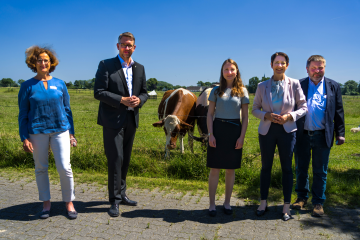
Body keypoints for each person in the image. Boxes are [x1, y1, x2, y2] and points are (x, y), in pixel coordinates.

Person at [18, 46, 78, 220]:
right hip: (37, 132)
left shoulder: (60, 84)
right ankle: (46, 203)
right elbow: (23, 114)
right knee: (41, 168)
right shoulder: (27, 86)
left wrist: (71, 133)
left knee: (65, 167)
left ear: (51, 63)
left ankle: (69, 202)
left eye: (46, 60)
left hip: (60, 130)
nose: (43, 63)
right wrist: (25, 137)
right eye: (39, 60)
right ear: (33, 63)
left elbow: (67, 110)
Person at [94, 32, 149, 217]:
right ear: (118, 46)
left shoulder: (140, 68)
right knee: (115, 159)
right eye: (123, 45)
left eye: (130, 45)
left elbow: (145, 92)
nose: (127, 48)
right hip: (112, 121)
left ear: (134, 47)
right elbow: (99, 92)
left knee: (125, 159)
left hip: (131, 119)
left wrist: (139, 101)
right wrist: (122, 100)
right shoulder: (106, 65)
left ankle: (122, 194)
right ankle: (114, 201)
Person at [252, 52, 307, 221]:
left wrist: (290, 116)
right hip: (267, 131)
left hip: (287, 131)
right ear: (271, 65)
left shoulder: (295, 84)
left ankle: (286, 207)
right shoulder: (262, 86)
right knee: (265, 168)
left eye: (283, 63)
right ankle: (263, 202)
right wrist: (266, 115)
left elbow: (304, 107)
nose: (279, 65)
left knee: (287, 169)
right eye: (276, 62)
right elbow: (254, 109)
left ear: (287, 66)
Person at [292, 55, 345, 217]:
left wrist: (340, 134)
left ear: (324, 68)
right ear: (307, 69)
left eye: (320, 68)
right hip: (302, 135)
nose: (317, 71)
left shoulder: (333, 86)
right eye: (314, 68)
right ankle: (301, 198)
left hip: (323, 135)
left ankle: (318, 202)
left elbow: (338, 112)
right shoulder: (298, 85)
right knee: (301, 168)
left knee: (320, 171)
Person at [207, 59, 249, 217]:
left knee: (230, 170)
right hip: (217, 130)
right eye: (226, 69)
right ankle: (212, 204)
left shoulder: (242, 91)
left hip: (234, 132)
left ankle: (227, 203)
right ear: (222, 72)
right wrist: (211, 134)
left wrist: (242, 137)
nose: (229, 72)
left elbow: (245, 117)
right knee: (214, 169)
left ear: (236, 71)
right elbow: (210, 114)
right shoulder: (216, 91)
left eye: (232, 69)